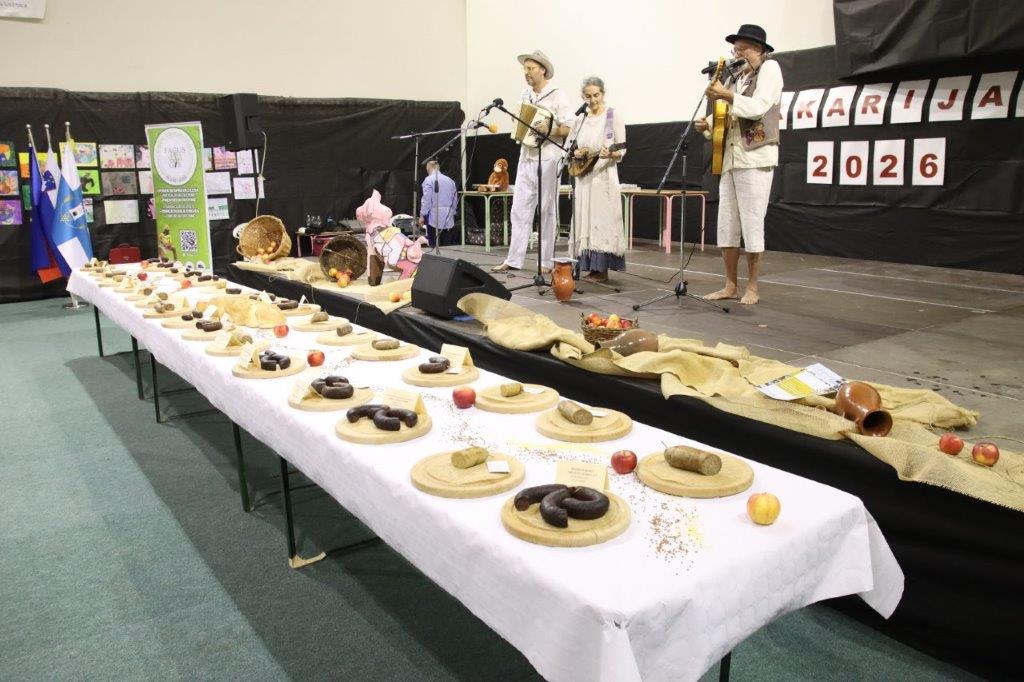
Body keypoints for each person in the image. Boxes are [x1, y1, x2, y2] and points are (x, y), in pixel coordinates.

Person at [696, 24, 782, 305]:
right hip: (730, 159)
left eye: (743, 48)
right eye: (735, 49)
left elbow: (758, 107)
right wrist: (707, 124)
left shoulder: (770, 69)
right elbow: (726, 114)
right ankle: (730, 285)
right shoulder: (736, 79)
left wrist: (726, 94)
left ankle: (753, 287)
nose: (738, 54)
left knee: (752, 223)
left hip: (755, 158)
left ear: (760, 50)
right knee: (727, 224)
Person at [493, 50, 573, 274]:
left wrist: (550, 129)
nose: (526, 73)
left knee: (547, 209)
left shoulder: (557, 95)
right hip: (526, 155)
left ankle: (546, 261)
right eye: (525, 69)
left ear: (543, 70)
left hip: (549, 157)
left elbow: (569, 127)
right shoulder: (525, 94)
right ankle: (514, 259)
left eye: (530, 68)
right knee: (519, 209)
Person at [570, 77, 626, 283]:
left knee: (601, 222)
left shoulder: (612, 116)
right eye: (588, 96)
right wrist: (576, 152)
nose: (593, 100)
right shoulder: (580, 120)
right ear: (582, 97)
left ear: (603, 93)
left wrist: (611, 153)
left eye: (596, 95)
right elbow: (570, 146)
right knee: (584, 220)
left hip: (603, 179)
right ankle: (588, 267)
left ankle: (601, 270)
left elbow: (622, 148)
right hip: (584, 178)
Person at [418, 159, 458, 247]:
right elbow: (455, 199)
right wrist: (453, 212)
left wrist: (422, 215)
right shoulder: (450, 181)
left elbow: (426, 199)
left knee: (433, 245)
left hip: (434, 217)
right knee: (447, 246)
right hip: (448, 217)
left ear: (428, 169)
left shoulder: (428, 180)